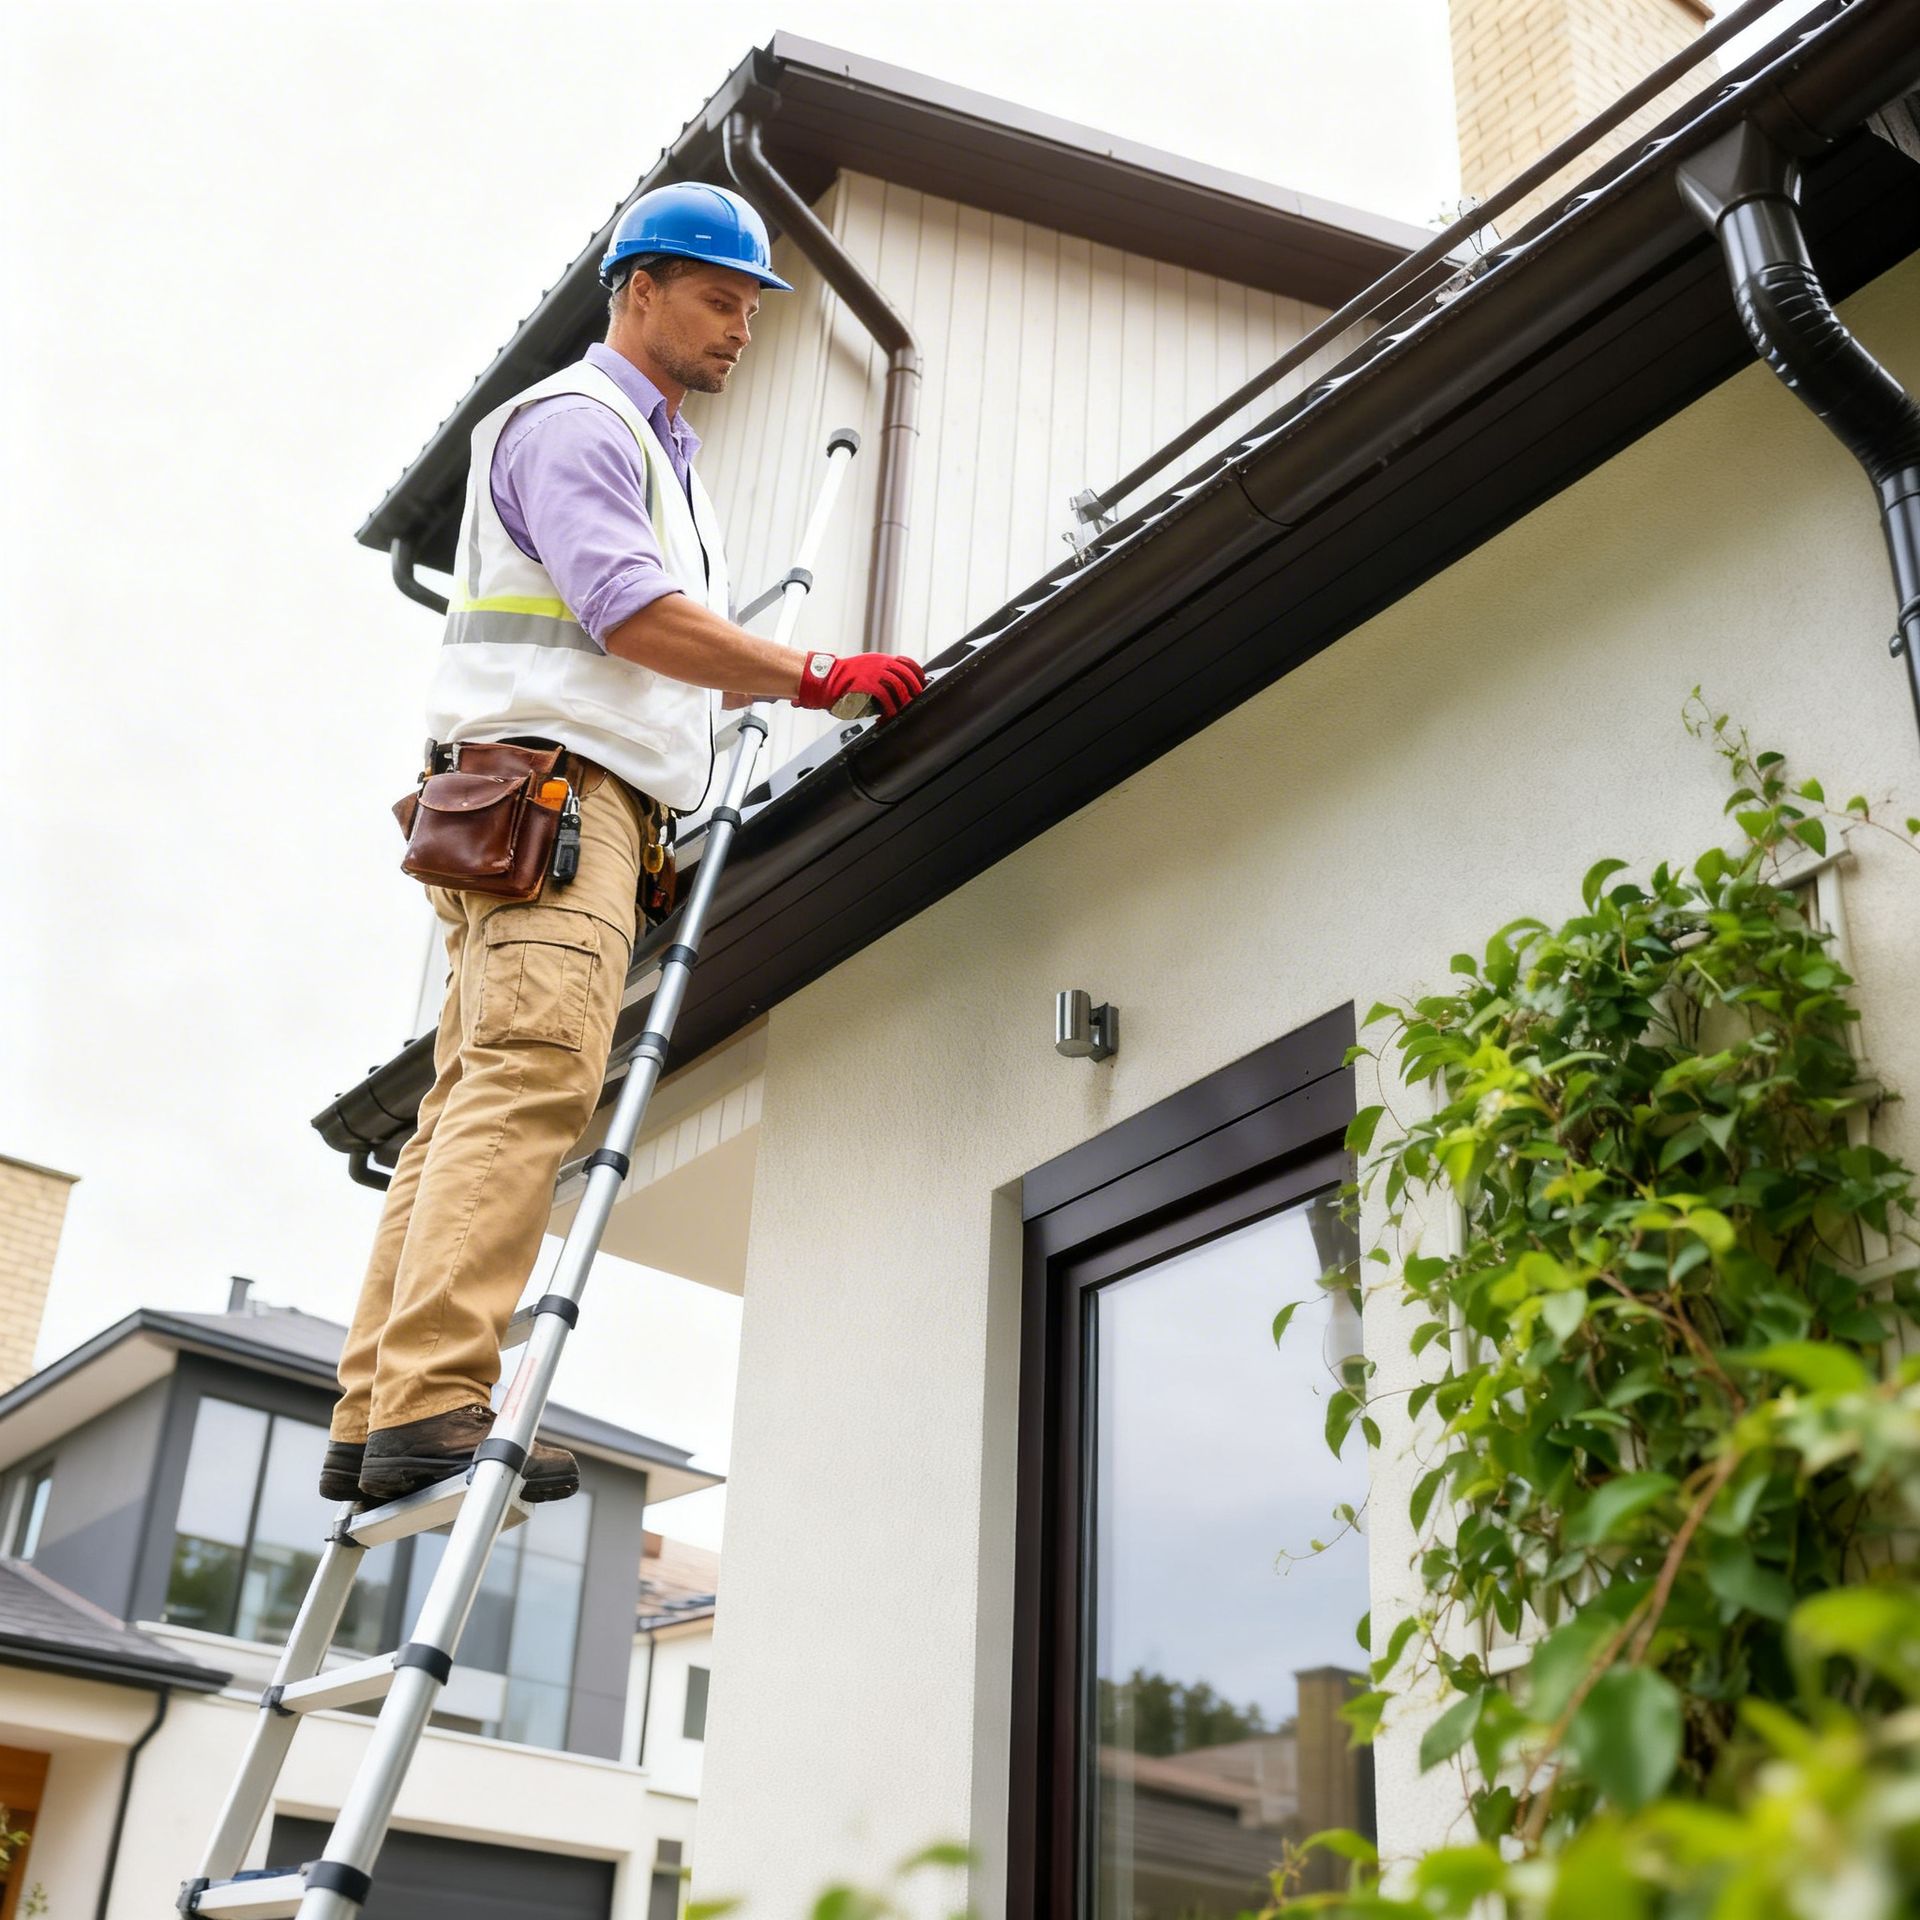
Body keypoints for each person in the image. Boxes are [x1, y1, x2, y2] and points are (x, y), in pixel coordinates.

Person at [323, 182, 926, 1505]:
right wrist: (809, 671)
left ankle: (382, 1407)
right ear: (637, 287)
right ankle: (433, 1402)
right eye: (722, 299)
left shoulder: (647, 451)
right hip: (559, 810)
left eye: (754, 309)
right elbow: (626, 611)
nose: (742, 330)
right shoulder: (581, 424)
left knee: (461, 1107)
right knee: (531, 1083)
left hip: (520, 805)